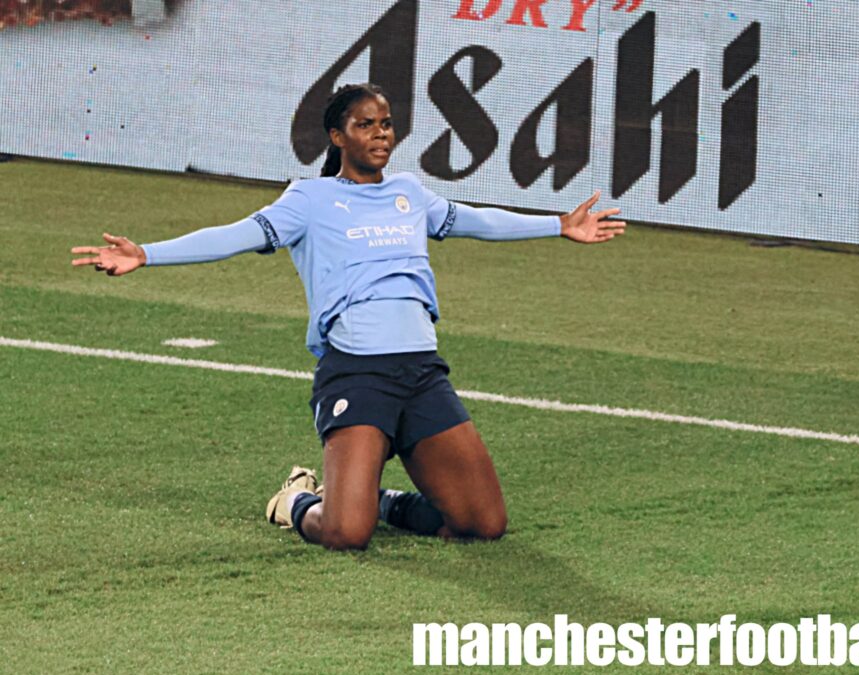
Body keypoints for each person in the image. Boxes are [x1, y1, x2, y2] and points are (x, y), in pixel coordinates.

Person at [71, 83, 626, 551]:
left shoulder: (410, 194)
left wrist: (557, 224)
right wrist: (148, 253)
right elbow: (235, 236)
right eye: (366, 125)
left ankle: (381, 499)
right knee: (343, 533)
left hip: (422, 374)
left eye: (386, 124)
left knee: (483, 525)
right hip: (357, 375)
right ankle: (298, 501)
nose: (381, 134)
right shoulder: (308, 200)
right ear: (338, 137)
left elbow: (476, 221)